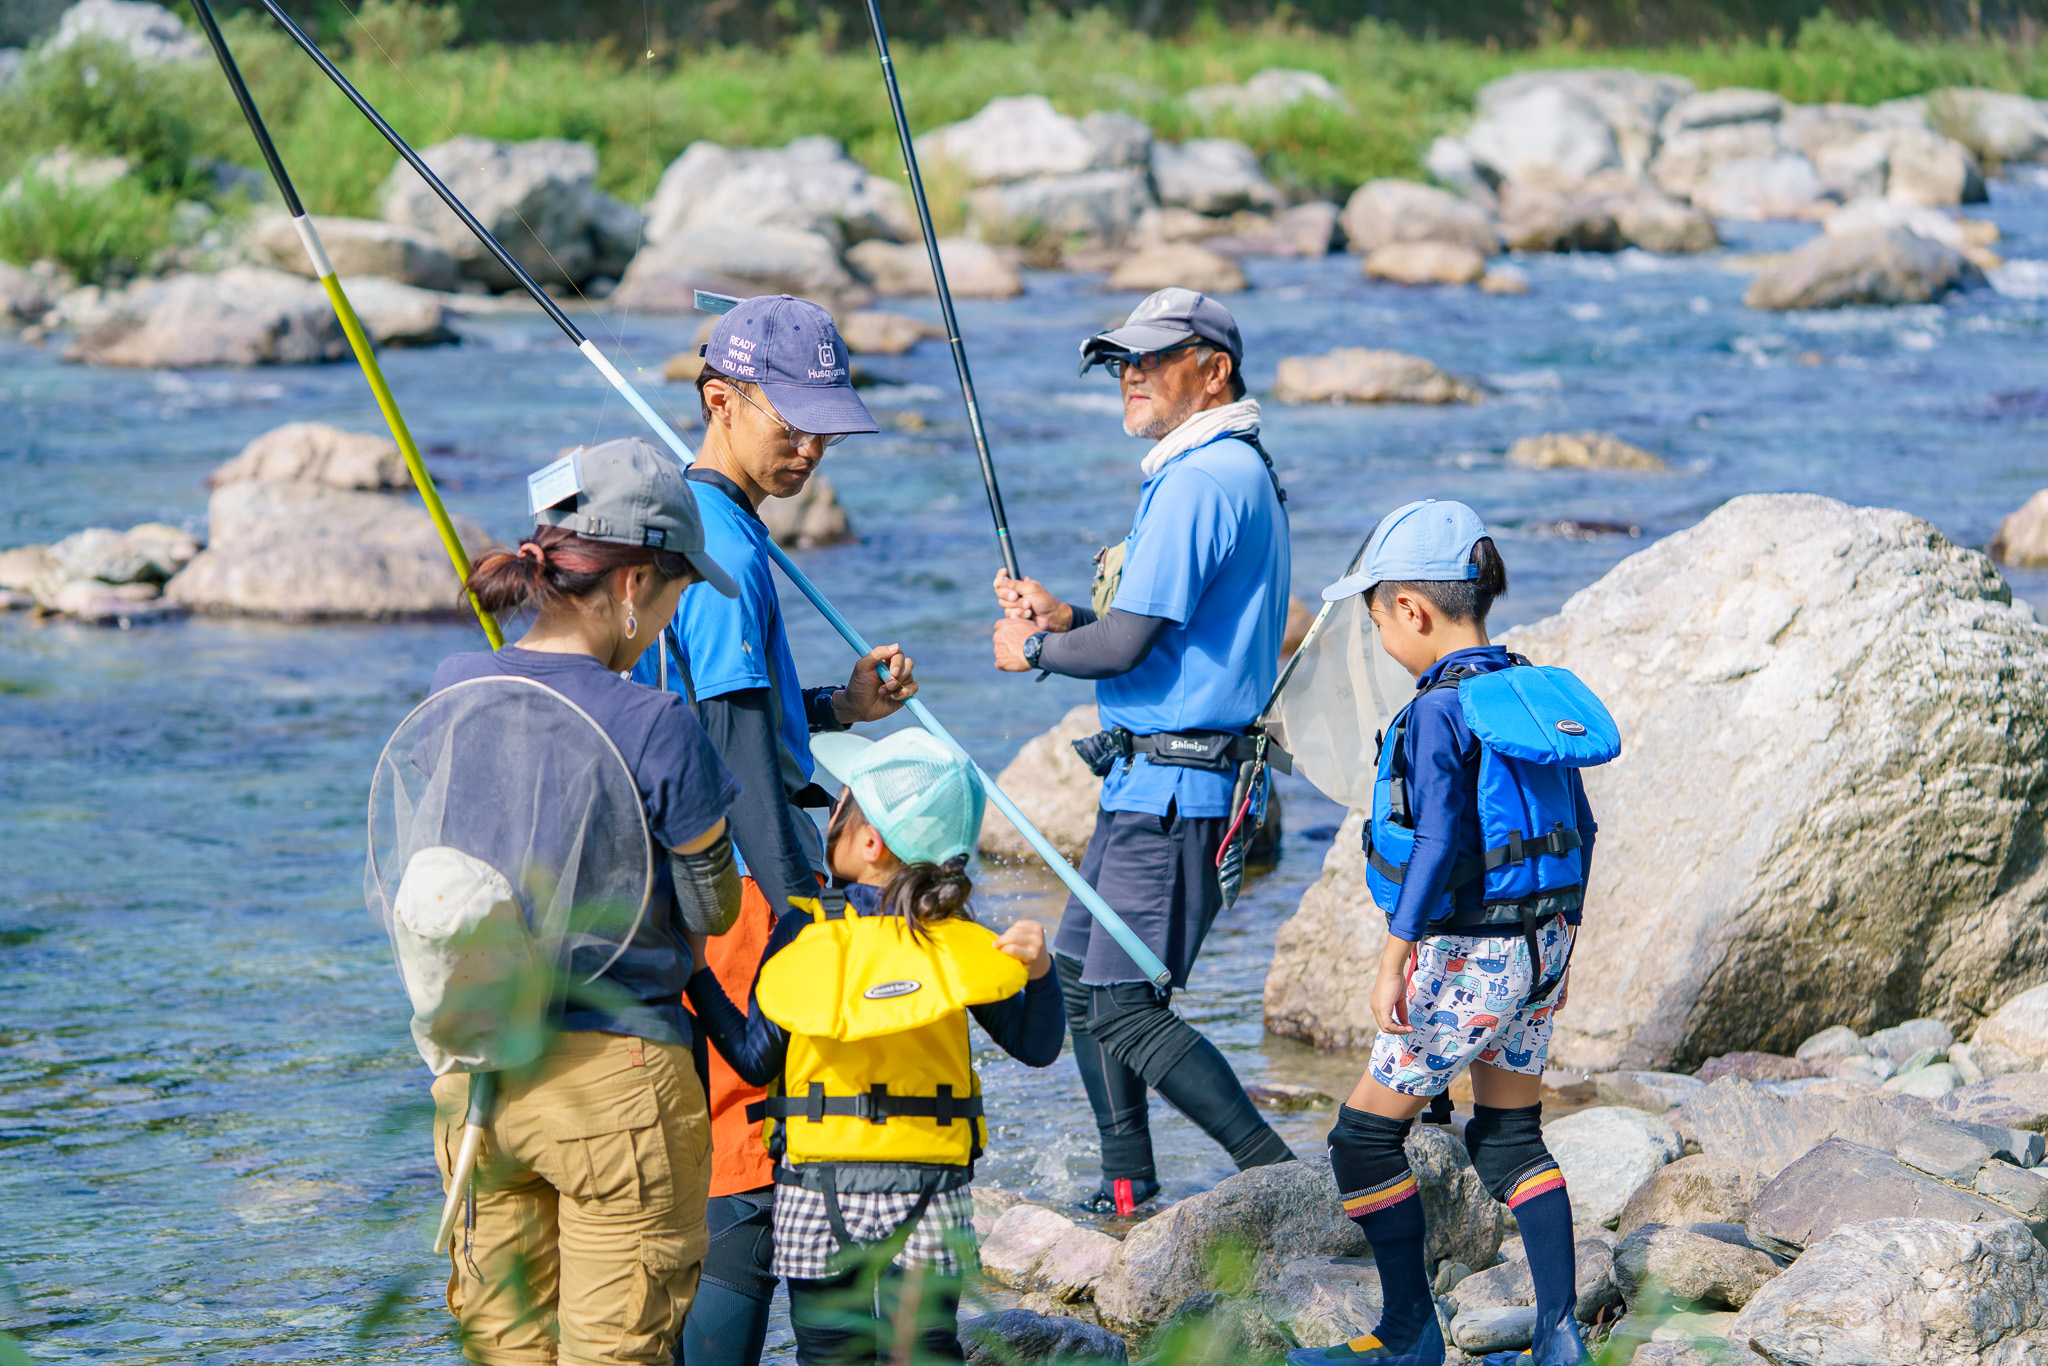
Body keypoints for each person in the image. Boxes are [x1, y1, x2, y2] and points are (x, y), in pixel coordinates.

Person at [624, 294, 918, 1366]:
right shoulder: (726, 552)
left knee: (743, 1149)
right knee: (747, 1158)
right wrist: (813, 917)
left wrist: (836, 708)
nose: (809, 445)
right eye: (787, 420)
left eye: (823, 423)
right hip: (742, 898)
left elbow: (732, 714)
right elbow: (738, 763)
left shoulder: (716, 528)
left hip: (710, 882)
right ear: (717, 399)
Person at [424, 437, 746, 1365]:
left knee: (505, 1350)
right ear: (635, 583)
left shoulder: (455, 689)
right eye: (679, 592)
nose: (669, 617)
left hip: (477, 1074)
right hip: (616, 1082)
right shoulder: (656, 721)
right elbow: (713, 906)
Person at [988, 286, 1295, 1214]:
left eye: (1154, 359)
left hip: (1178, 792)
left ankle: (1283, 1179)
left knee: (1122, 1005)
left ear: (1214, 372)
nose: (1131, 375)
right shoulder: (1211, 467)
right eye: (1122, 361)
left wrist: (1036, 649)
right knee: (1082, 981)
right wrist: (1069, 616)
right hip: (1155, 781)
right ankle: (1128, 1194)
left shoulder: (1202, 478)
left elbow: (1121, 652)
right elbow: (1148, 632)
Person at [1287, 501, 1615, 1366]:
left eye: (1377, 622)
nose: (1382, 642)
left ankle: (1408, 1334)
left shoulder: (1438, 710)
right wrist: (1565, 944)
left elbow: (1435, 842)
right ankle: (1559, 1335)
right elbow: (1583, 825)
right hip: (1541, 946)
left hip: (1469, 954)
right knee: (1509, 1140)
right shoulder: (1524, 690)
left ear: (1412, 611)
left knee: (1361, 1140)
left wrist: (1395, 957)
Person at [684, 728, 1065, 1364]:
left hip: (816, 1192)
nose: (827, 813)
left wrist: (699, 971)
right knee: (925, 1351)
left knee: (832, 1356)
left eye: (838, 804)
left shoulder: (806, 929)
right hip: (929, 1190)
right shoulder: (956, 937)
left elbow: (754, 1060)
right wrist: (1043, 974)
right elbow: (1037, 1045)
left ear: (868, 841)